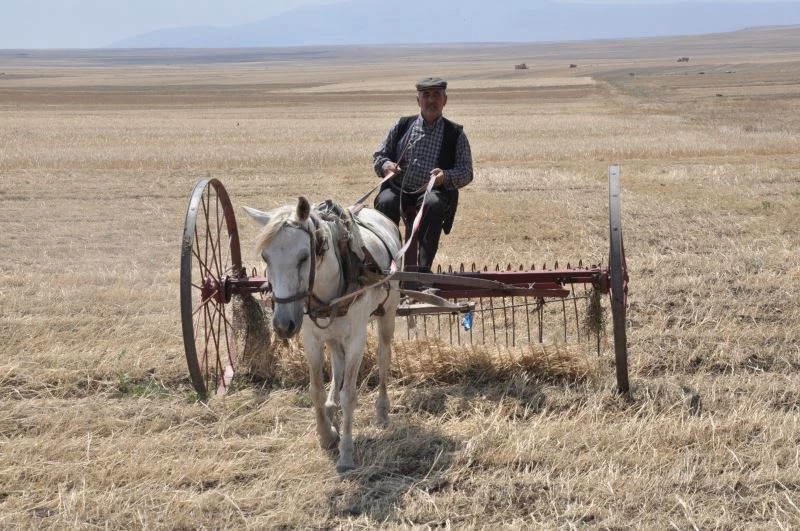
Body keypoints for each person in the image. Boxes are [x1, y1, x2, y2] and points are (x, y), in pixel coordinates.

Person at [372, 77, 473, 274]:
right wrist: (387, 165)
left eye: (437, 95)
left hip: (433, 192)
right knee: (384, 202)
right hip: (397, 189)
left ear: (445, 100)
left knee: (433, 204)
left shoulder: (455, 134)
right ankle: (385, 267)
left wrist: (445, 176)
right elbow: (379, 156)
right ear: (418, 100)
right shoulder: (402, 126)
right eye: (426, 95)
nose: (431, 100)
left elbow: (467, 172)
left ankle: (423, 271)